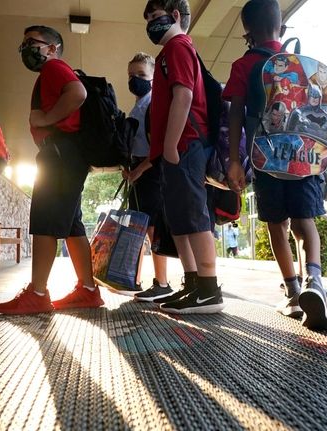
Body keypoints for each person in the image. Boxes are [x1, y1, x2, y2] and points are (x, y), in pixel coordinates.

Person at [225, 0, 327, 329]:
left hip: (266, 157)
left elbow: (236, 114)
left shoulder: (244, 65)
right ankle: (315, 279)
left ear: (247, 33)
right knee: (305, 222)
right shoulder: (303, 65)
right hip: (303, 156)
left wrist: (233, 160)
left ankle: (293, 292)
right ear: (281, 29)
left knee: (276, 224)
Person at [0, 25, 100, 314]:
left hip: (59, 154)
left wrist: (46, 119)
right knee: (72, 225)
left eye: (32, 43)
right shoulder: (51, 72)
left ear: (51, 48)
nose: (25, 48)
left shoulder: (54, 68)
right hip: (68, 155)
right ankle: (88, 289)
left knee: (45, 221)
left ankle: (37, 294)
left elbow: (78, 92)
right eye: (24, 43)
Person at [141, 0, 224, 314]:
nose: (150, 22)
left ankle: (209, 288)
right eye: (147, 18)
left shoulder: (178, 47)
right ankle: (192, 283)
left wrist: (172, 143)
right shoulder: (169, 52)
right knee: (180, 218)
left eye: (156, 16)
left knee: (193, 215)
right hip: (177, 147)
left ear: (175, 16)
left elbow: (184, 95)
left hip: (186, 143)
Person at [122, 52, 174, 302]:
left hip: (150, 171)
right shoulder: (139, 105)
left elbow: (157, 147)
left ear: (154, 77)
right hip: (138, 170)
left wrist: (137, 171)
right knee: (142, 227)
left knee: (153, 228)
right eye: (131, 75)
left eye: (141, 75)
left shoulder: (154, 103)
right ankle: (135, 279)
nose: (135, 80)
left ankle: (162, 282)